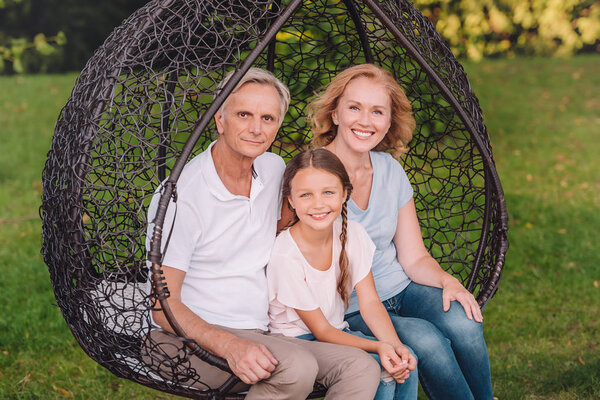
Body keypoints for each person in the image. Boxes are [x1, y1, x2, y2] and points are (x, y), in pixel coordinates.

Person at [145, 67, 381, 399]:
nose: (256, 128)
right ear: (220, 119)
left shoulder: (271, 169)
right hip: (184, 338)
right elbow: (161, 304)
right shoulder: (183, 195)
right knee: (296, 368)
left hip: (263, 333)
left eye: (268, 119)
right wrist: (230, 345)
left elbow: (295, 224)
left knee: (362, 367)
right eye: (244, 114)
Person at [307, 64, 494, 400]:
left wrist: (446, 281)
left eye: (377, 111)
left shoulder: (390, 170)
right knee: (425, 341)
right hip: (352, 307)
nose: (365, 121)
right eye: (354, 108)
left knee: (464, 323)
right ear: (334, 113)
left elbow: (414, 256)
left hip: (403, 288)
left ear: (389, 121)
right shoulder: (312, 177)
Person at [267, 148, 418, 400]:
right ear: (291, 200)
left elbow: (370, 303)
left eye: (328, 192)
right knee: (380, 369)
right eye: (306, 195)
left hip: (336, 331)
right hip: (296, 342)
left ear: (345, 194)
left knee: (404, 360)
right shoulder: (285, 254)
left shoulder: (353, 234)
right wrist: (379, 346)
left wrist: (395, 346)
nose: (318, 204)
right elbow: (321, 331)